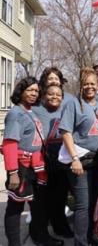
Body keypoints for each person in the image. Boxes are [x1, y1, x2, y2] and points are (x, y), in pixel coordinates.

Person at [3, 77, 63, 246]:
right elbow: (9, 144)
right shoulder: (16, 113)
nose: (33, 93)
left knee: (38, 205)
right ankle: (14, 243)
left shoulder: (30, 111)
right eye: (29, 90)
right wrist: (13, 172)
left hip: (36, 166)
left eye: (36, 91)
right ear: (20, 91)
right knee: (16, 206)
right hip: (21, 166)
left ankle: (41, 236)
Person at [59, 68, 98, 246]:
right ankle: (80, 242)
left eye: (93, 84)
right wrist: (74, 158)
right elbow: (65, 132)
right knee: (83, 205)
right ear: (81, 86)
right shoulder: (74, 104)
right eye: (86, 84)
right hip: (81, 161)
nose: (90, 87)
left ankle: (91, 238)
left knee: (94, 202)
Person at [33, 84, 73, 239]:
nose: (55, 97)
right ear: (44, 96)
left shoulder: (66, 110)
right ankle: (39, 231)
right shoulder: (36, 110)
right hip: (42, 159)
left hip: (62, 159)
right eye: (51, 94)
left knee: (60, 196)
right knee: (42, 199)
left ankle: (60, 226)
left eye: (58, 94)